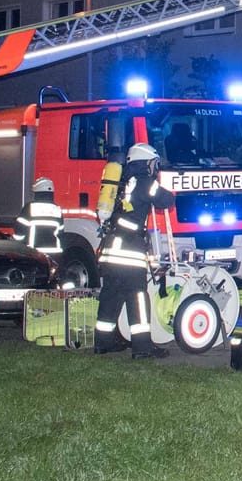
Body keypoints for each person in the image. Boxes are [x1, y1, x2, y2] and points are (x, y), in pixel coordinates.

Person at [94, 143, 173, 359]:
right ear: (146, 163)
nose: (155, 168)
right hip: (129, 251)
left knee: (110, 295)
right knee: (137, 297)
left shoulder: (121, 182)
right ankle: (142, 347)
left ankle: (103, 343)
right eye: (154, 164)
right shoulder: (146, 182)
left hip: (111, 250)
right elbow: (167, 200)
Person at [15, 177, 64, 259]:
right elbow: (61, 233)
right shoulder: (57, 209)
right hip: (54, 253)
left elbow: (19, 230)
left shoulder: (29, 208)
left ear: (37, 192)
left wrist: (18, 246)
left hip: (34, 251)